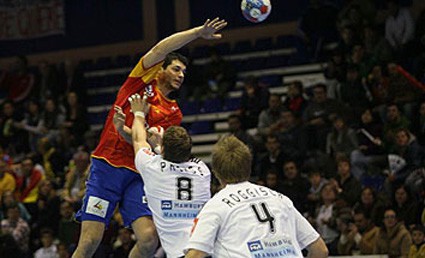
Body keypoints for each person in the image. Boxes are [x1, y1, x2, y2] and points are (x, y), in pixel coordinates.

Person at [72, 17, 227, 258]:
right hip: (107, 168)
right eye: (176, 68)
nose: (181, 75)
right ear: (160, 69)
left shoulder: (174, 113)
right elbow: (161, 48)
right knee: (90, 240)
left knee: (148, 239)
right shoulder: (140, 81)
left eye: (184, 72)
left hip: (139, 175)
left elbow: (151, 147)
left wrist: (136, 135)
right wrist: (198, 33)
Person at [185, 136, 328, 258]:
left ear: (216, 173)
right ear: (249, 167)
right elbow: (320, 250)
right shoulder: (280, 199)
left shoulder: (215, 205)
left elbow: (196, 254)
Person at [124, 93, 211, 258]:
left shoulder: (152, 167)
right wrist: (160, 148)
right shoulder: (203, 170)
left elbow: (138, 139)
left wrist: (138, 113)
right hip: (208, 250)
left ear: (164, 150)